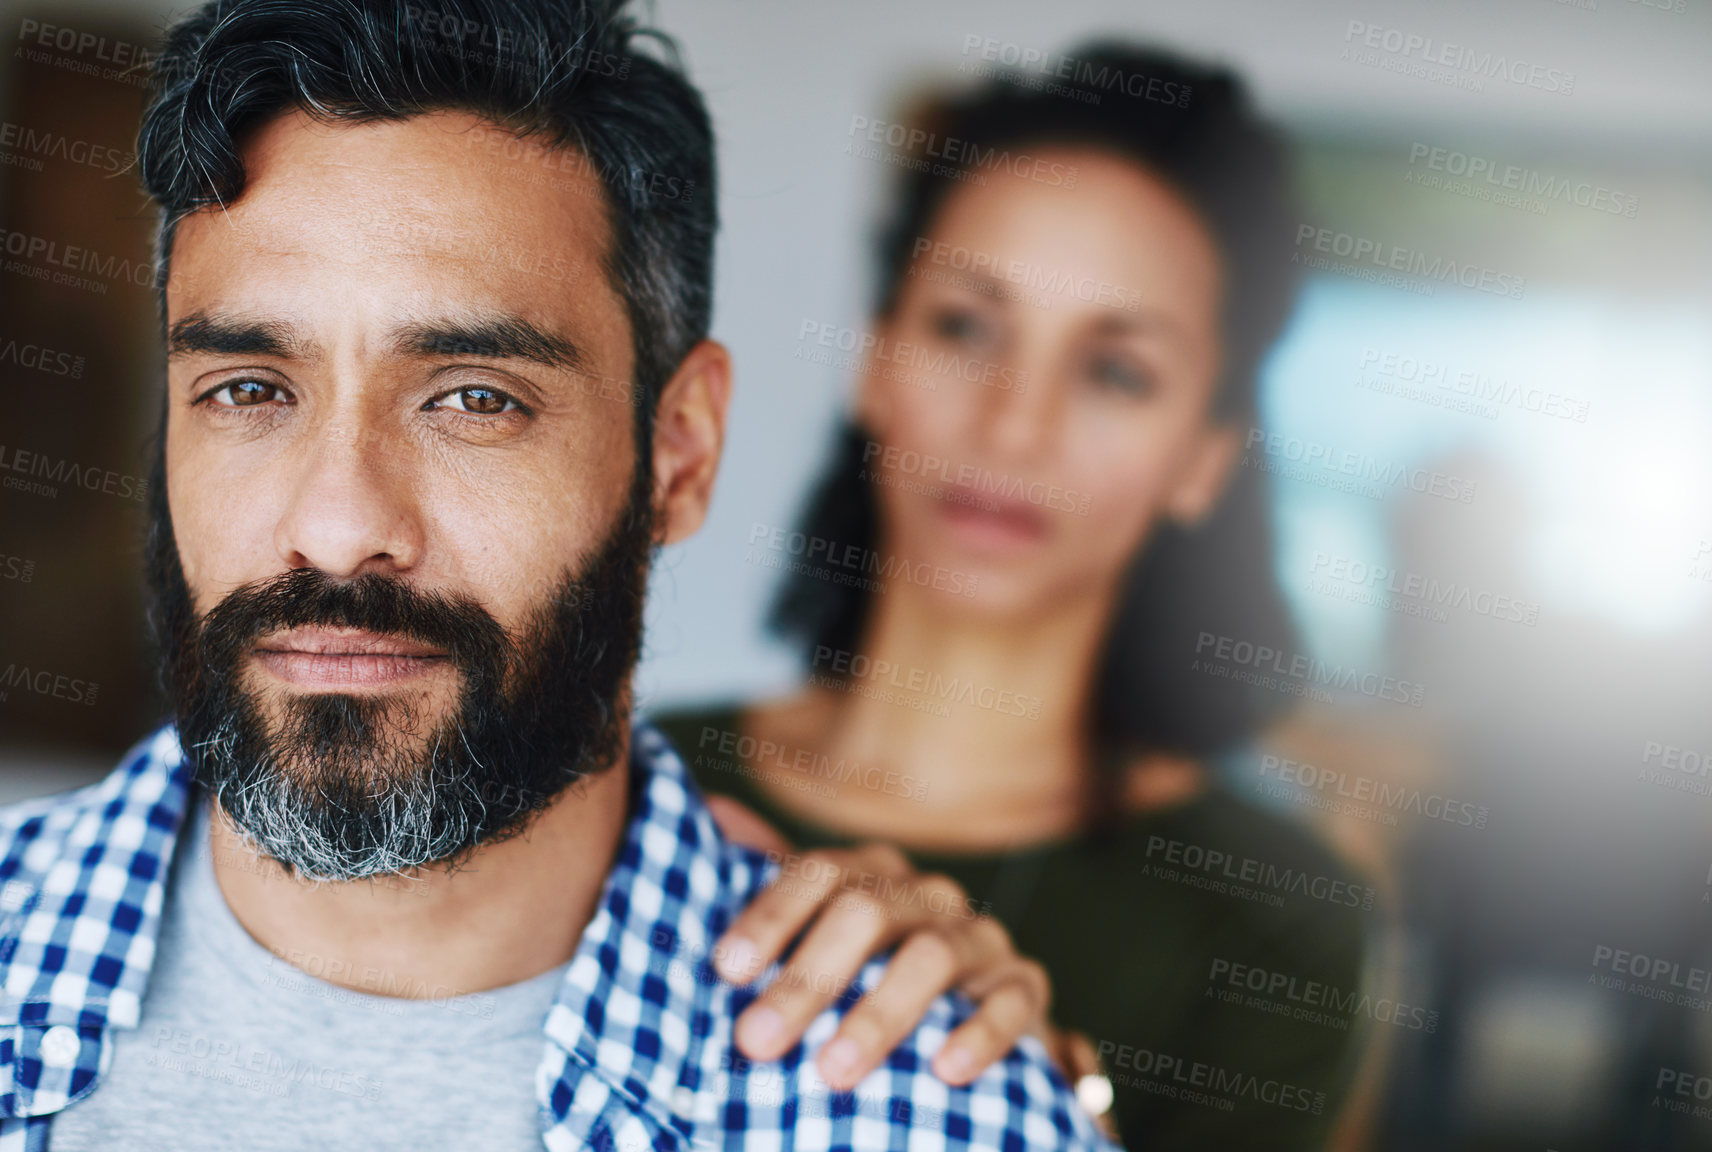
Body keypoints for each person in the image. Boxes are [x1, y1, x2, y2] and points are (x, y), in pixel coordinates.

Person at [0, 2, 1118, 1148]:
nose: (336, 529)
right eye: (249, 389)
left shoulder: (938, 1118)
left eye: (475, 398)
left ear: (678, 452)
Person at [657, 44, 1370, 1148]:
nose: (1014, 424)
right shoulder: (631, 784)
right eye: (965, 327)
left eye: (1115, 371)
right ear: (877, 357)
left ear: (1204, 458)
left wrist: (1054, 1102)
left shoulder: (1274, 919)